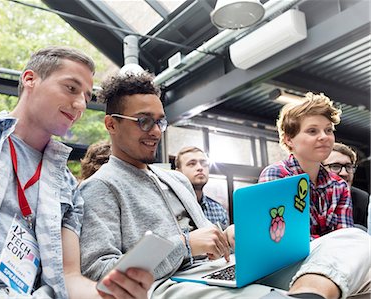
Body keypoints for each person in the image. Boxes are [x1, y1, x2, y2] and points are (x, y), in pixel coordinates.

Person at [78, 72, 370, 299]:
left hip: (220, 270)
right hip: (168, 284)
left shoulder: (175, 179)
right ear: (111, 124)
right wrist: (185, 245)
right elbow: (101, 273)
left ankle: (310, 293)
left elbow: (212, 241)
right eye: (143, 121)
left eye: (160, 122)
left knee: (354, 240)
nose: (155, 131)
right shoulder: (100, 187)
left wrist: (230, 236)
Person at [0, 46, 152, 299]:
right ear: (30, 79)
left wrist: (108, 295)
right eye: (71, 88)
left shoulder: (67, 186)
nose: (80, 104)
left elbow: (68, 277)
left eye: (87, 97)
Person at [259, 93, 354, 239]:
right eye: (312, 131)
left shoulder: (339, 186)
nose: (324, 136)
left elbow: (345, 240)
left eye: (328, 130)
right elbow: (285, 238)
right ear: (289, 140)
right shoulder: (276, 176)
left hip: (335, 260)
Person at [175, 146, 229, 227]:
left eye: (204, 163)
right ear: (178, 172)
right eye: (192, 164)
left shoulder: (218, 210)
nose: (200, 168)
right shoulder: (171, 206)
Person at [323, 142, 369, 228]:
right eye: (335, 166)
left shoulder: (362, 199)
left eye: (349, 166)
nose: (344, 173)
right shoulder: (307, 197)